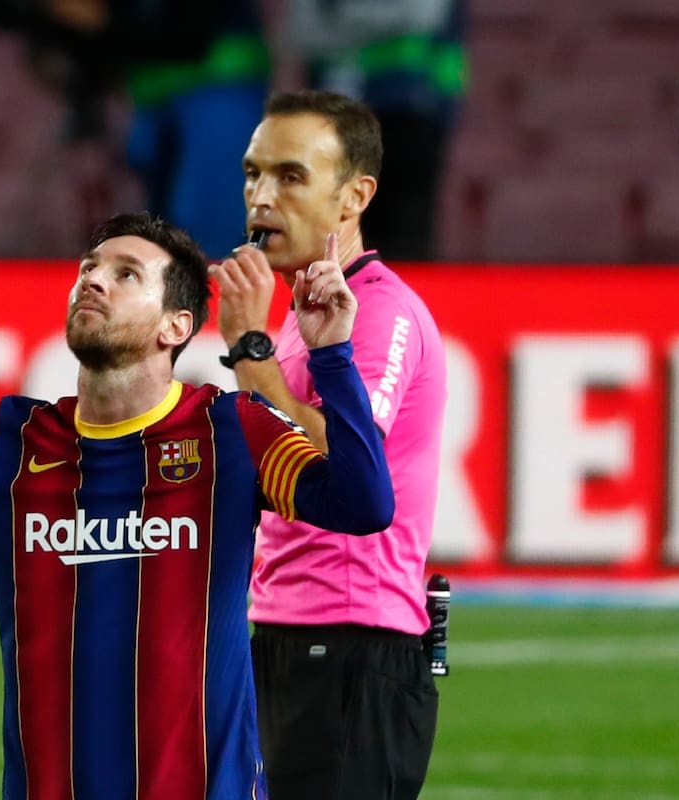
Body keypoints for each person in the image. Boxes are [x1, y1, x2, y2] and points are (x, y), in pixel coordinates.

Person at [0, 200, 396, 799]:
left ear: (175, 326)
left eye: (126, 273)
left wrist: (333, 355)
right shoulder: (8, 444)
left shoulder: (234, 432)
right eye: (89, 268)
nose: (93, 279)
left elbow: (363, 506)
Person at [213, 88, 447, 798]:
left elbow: (346, 460)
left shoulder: (377, 311)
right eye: (253, 174)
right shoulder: (300, 313)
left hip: (353, 641)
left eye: (290, 176)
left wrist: (249, 354)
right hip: (285, 633)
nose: (261, 196)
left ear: (354, 197)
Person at [0, 0, 270, 260]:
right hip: (158, 98)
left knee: (205, 230)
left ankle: (219, 317)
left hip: (218, 92)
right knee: (167, 235)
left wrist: (99, 20)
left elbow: (190, 33)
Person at [290, 0, 467, 261]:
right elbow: (303, 31)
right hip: (338, 115)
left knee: (405, 234)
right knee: (339, 231)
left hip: (410, 113)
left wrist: (344, 20)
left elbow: (418, 16)